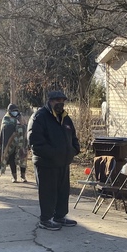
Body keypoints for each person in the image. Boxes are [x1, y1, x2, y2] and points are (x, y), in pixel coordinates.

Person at [27, 90, 81, 230]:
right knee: (48, 192)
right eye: (57, 100)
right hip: (46, 163)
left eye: (62, 101)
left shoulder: (65, 118)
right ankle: (45, 219)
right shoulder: (39, 117)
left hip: (63, 163)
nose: (60, 103)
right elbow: (35, 142)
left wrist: (74, 150)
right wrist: (54, 154)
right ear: (49, 101)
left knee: (63, 192)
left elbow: (73, 137)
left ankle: (60, 217)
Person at [0, 104, 29, 183]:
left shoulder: (21, 118)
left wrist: (21, 127)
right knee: (12, 158)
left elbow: (26, 127)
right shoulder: (6, 119)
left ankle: (23, 176)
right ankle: (14, 177)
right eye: (13, 111)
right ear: (9, 111)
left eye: (16, 111)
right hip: (11, 143)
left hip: (21, 143)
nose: (15, 112)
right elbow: (5, 129)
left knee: (23, 158)